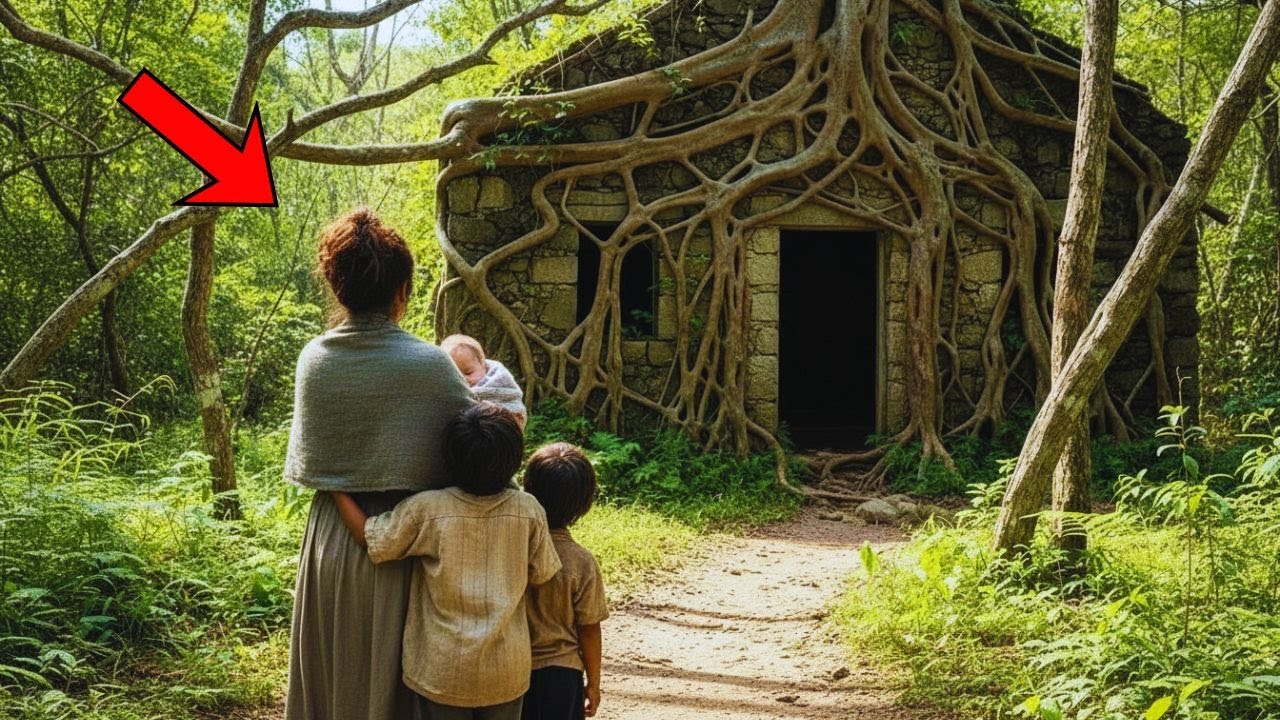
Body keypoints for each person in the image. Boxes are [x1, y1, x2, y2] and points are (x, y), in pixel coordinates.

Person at [283, 207, 475, 720]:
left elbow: (318, 465)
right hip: (410, 545)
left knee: (335, 678)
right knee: (399, 693)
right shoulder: (431, 365)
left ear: (336, 287)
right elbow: (477, 453)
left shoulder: (315, 359)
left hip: (332, 541)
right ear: (401, 290)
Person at [332, 403, 562, 720]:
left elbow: (371, 538)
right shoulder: (529, 510)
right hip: (506, 670)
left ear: (449, 459)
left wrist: (335, 489)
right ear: (513, 459)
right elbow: (543, 574)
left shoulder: (427, 509)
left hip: (441, 671)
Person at [520, 443, 608, 720]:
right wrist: (593, 684)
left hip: (513, 669)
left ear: (528, 489)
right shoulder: (582, 562)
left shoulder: (513, 549)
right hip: (562, 676)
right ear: (585, 503)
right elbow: (589, 629)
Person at [440, 334, 527, 426]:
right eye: (456, 375)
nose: (463, 379)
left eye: (468, 373)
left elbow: (513, 404)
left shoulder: (500, 382)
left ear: (483, 365)